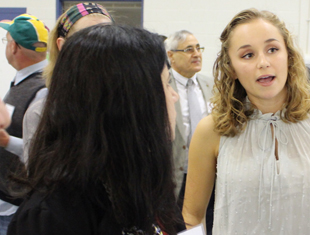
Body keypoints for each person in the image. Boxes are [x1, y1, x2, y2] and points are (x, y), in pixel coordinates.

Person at [182, 8, 310, 235]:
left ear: (289, 56)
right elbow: (191, 217)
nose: (263, 62)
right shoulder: (212, 130)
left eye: (272, 49)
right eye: (247, 55)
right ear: (231, 68)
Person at [7, 24, 185, 235]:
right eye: (166, 84)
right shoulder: (52, 218)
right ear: (129, 103)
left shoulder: (143, 183)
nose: (175, 96)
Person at [22, 2, 113, 164]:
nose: (102, 48)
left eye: (109, 38)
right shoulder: (43, 111)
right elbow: (39, 179)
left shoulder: (126, 100)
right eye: (90, 39)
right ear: (63, 45)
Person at [0, 13, 48, 233]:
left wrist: (7, 141)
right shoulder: (22, 80)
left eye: (6, 40)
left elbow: (39, 152)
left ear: (14, 47)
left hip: (15, 205)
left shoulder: (42, 91)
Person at [164, 30, 214, 234]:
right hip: (175, 174)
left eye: (198, 48)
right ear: (171, 56)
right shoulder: (164, 85)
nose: (196, 54)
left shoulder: (210, 85)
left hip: (208, 173)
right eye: (188, 49)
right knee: (177, 225)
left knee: (206, 224)